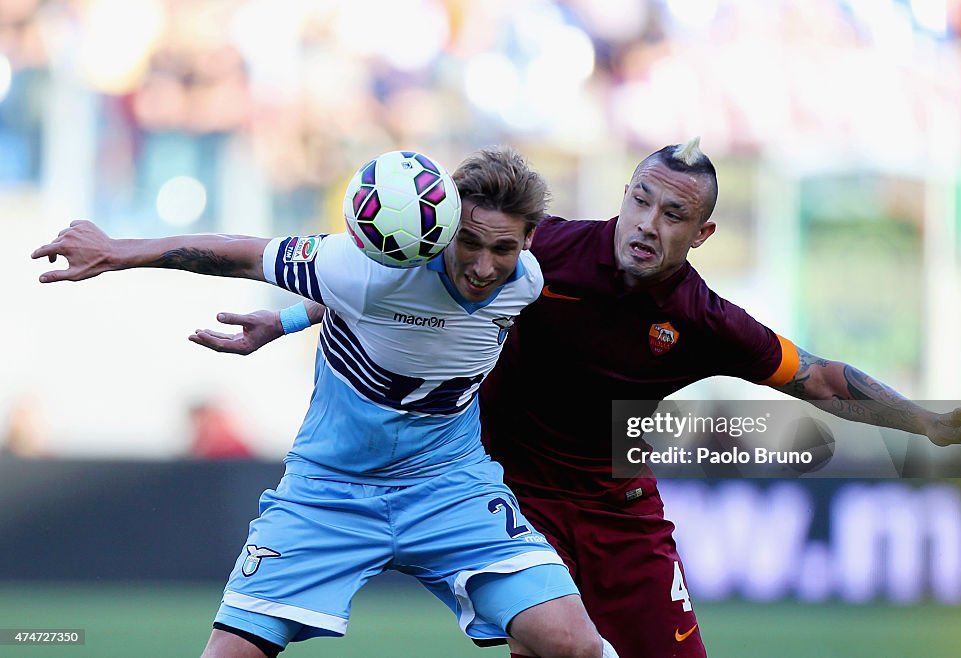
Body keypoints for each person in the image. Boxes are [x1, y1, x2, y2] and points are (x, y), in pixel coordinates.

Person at [189, 138, 961, 658]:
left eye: (673, 213)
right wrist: (291, 316)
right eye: (641, 199)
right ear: (624, 194)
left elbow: (819, 377)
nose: (647, 223)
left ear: (702, 234)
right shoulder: (539, 253)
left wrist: (925, 422)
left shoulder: (705, 322)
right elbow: (420, 290)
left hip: (618, 511)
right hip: (501, 494)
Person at [31, 147, 620, 658]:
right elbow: (238, 253)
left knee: (571, 644)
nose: (484, 266)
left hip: (451, 486)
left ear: (527, 242)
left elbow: (394, 313)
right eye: (468, 241)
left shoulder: (525, 282)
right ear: (440, 227)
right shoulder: (357, 267)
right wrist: (117, 250)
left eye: (504, 247)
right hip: (330, 490)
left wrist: (288, 319)